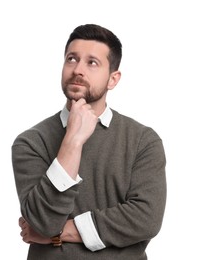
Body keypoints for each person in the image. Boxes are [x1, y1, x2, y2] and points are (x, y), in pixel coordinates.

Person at [12, 24, 166, 260]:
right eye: (71, 59)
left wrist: (60, 232)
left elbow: (146, 219)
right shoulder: (31, 142)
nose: (78, 70)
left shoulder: (143, 141)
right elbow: (43, 221)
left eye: (92, 62)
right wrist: (72, 140)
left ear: (113, 79)